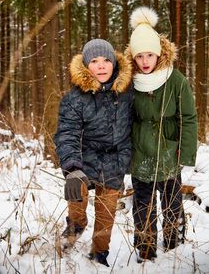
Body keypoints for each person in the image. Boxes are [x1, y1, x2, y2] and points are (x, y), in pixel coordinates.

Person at [125, 6, 198, 261]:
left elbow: (188, 117)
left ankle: (175, 244)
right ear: (133, 57)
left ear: (159, 54)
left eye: (150, 55)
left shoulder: (175, 80)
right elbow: (123, 119)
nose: (145, 61)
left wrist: (185, 152)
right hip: (140, 154)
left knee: (172, 203)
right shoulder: (129, 81)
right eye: (140, 56)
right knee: (143, 206)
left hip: (169, 151)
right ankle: (145, 249)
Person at [54, 38, 133, 267]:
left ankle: (100, 253)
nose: (101, 65)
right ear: (86, 65)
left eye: (106, 60)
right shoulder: (74, 99)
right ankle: (75, 226)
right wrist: (72, 167)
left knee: (106, 212)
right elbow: (67, 133)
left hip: (115, 159)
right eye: (95, 61)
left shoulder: (127, 93)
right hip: (84, 158)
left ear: (114, 64)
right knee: (76, 196)